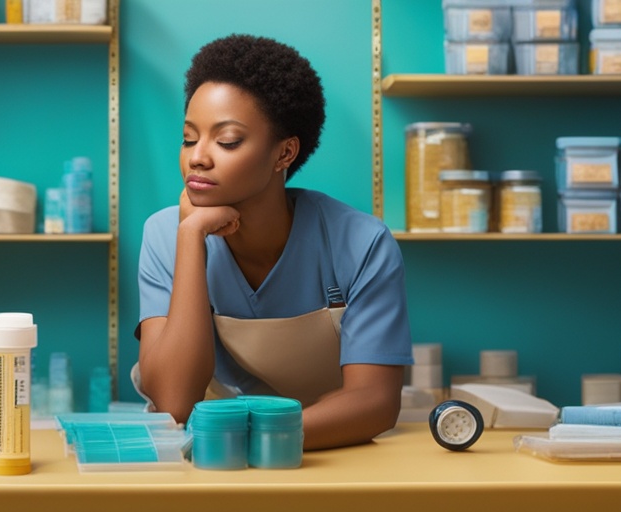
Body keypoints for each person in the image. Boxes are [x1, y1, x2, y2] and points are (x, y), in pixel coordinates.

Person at [133, 34, 413, 450]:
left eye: (226, 141)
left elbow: (374, 402)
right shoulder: (164, 234)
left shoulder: (361, 243)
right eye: (190, 138)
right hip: (209, 461)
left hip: (326, 452)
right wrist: (191, 237)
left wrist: (251, 438)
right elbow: (174, 402)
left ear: (284, 154)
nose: (197, 157)